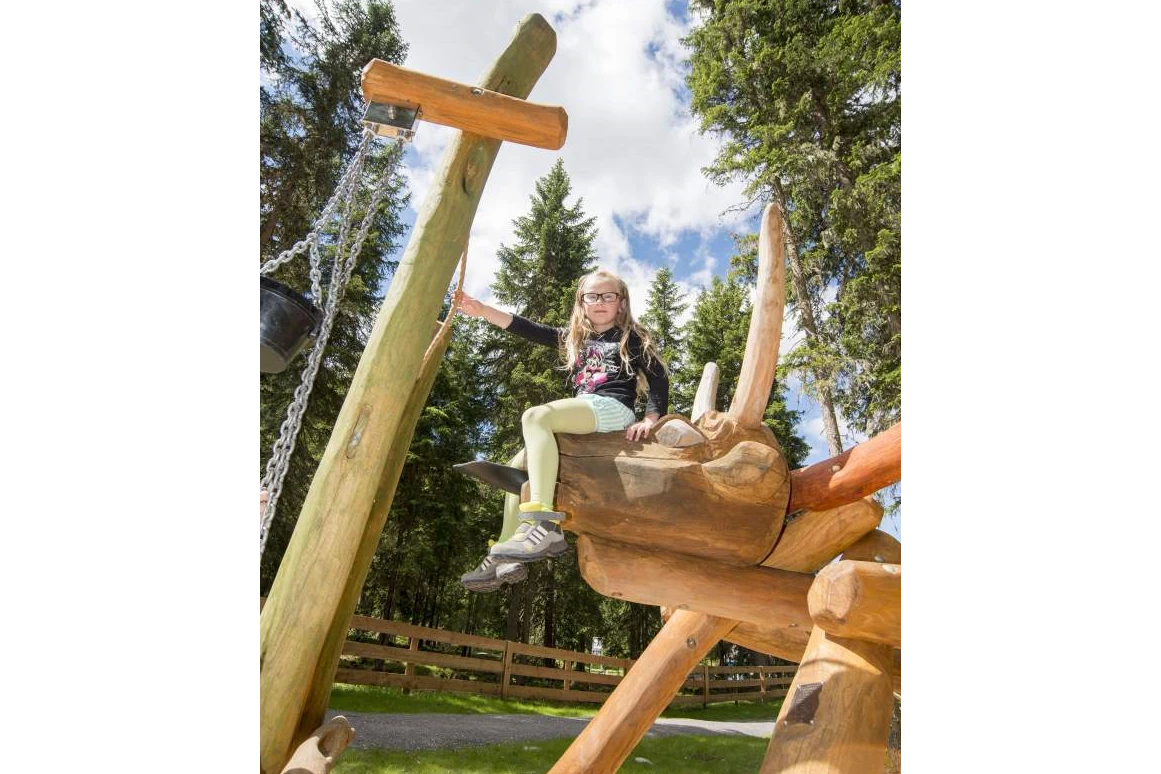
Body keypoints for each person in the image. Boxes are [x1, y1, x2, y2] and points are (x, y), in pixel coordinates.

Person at [456, 269, 669, 592]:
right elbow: (527, 328)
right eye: (591, 296)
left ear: (621, 303)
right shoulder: (576, 339)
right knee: (518, 466)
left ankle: (542, 522)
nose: (599, 302)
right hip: (584, 414)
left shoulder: (632, 339)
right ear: (581, 303)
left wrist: (651, 419)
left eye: (607, 296)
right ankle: (504, 553)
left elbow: (658, 378)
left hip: (612, 410)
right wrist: (482, 310)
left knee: (536, 417)